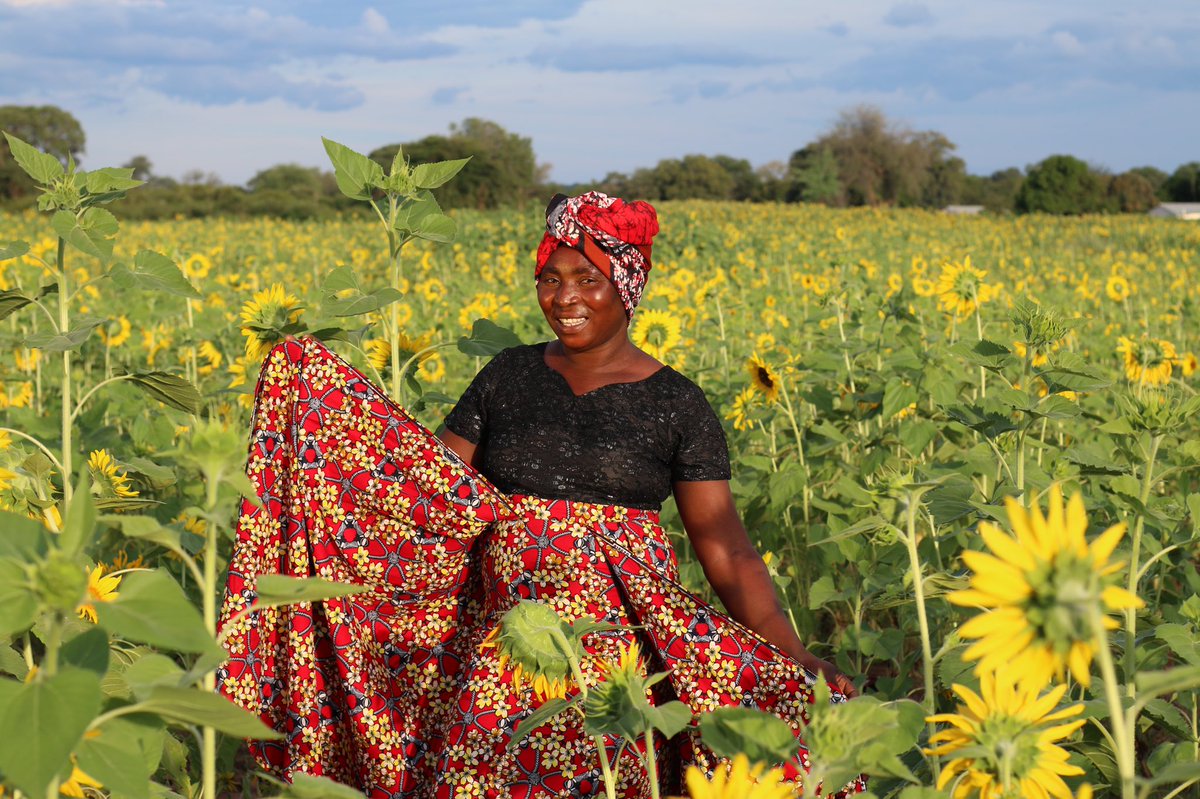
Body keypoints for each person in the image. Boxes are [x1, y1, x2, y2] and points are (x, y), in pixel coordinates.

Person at [217, 192, 864, 799]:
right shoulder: (508, 376)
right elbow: (433, 485)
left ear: (628, 286)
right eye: (551, 279)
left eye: (588, 279)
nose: (565, 297)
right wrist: (326, 401)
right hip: (505, 642)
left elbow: (726, 548)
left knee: (616, 769)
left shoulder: (676, 403)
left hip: (615, 656)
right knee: (476, 775)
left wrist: (792, 650)